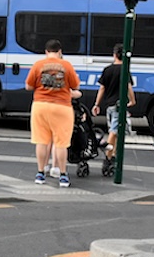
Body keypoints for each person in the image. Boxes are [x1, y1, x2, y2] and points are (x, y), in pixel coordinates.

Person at [25, 39, 81, 188]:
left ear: (46, 52)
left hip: (40, 105)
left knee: (42, 141)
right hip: (62, 107)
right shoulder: (67, 65)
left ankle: (40, 173)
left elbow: (28, 86)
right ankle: (63, 175)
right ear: (60, 52)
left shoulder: (38, 65)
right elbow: (75, 85)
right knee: (61, 143)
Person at [92, 43, 135, 176]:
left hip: (109, 105)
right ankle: (108, 157)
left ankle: (112, 155)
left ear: (114, 55)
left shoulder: (107, 70)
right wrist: (132, 100)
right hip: (119, 105)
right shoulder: (125, 70)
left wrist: (96, 104)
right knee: (114, 132)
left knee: (115, 132)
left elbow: (102, 88)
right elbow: (128, 87)